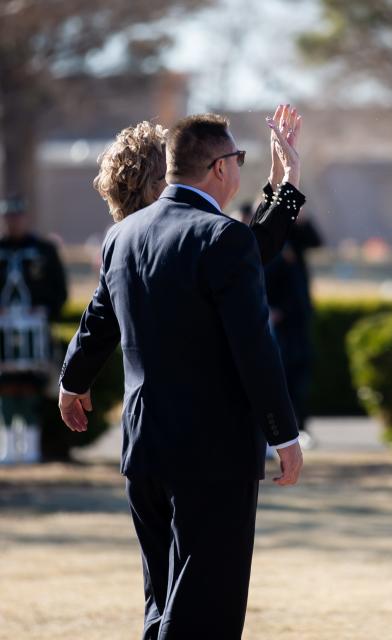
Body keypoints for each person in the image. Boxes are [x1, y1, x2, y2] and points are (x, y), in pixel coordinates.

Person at [58, 113, 305, 639]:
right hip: (212, 456)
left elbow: (98, 320)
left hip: (145, 448)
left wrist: (71, 382)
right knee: (203, 615)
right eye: (237, 159)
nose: (240, 166)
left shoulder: (121, 236)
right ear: (218, 169)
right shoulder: (221, 238)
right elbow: (255, 349)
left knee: (164, 603)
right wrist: (283, 433)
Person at [94, 104, 305, 265]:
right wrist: (288, 177)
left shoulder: (118, 241)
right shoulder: (199, 238)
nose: (182, 175)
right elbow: (250, 252)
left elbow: (252, 248)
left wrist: (278, 178)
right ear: (152, 188)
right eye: (174, 169)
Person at [0, 195, 69, 463]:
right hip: (3, 337)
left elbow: (59, 291)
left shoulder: (43, 250)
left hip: (34, 334)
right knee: (5, 389)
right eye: (8, 217)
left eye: (17, 217)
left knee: (31, 389)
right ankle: (7, 446)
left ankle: (30, 447)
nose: (13, 222)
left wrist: (42, 309)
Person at [264, 215, 324, 447]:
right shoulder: (267, 236)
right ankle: (283, 430)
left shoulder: (295, 235)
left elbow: (316, 241)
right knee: (282, 374)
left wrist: (299, 220)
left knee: (300, 373)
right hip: (277, 320)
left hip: (298, 318)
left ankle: (300, 426)